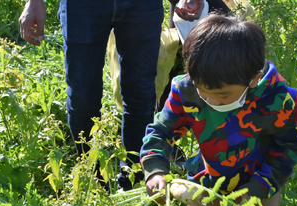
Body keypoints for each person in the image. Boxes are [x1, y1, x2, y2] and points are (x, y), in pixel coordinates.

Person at [140, 13, 297, 206]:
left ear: (253, 79)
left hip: (260, 181)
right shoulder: (186, 90)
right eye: (203, 92)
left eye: (222, 95)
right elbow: (160, 132)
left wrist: (255, 191)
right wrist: (155, 169)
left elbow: (289, 148)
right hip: (208, 181)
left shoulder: (278, 99)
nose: (211, 100)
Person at [18, 0, 205, 191]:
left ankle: (135, 182)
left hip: (142, 5)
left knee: (140, 94)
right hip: (81, 6)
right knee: (82, 98)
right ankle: (93, 185)